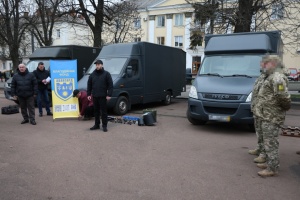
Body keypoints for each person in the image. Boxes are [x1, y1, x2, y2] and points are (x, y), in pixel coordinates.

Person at [252, 55, 291, 177]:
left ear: (273, 64)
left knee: (271, 143)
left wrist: (283, 108)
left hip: (272, 116)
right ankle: (269, 162)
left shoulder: (278, 78)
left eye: (266, 63)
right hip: (266, 114)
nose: (263, 65)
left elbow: (283, 97)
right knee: (267, 141)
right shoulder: (271, 76)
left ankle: (272, 168)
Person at [248, 56, 268, 164]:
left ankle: (264, 155)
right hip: (257, 109)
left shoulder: (272, 77)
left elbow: (282, 96)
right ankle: (259, 148)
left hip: (266, 111)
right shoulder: (262, 76)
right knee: (259, 131)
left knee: (266, 134)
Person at [87, 59, 113, 132]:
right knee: (96, 111)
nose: (97, 66)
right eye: (96, 65)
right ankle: (97, 124)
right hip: (95, 96)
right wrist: (88, 94)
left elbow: (110, 85)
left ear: (102, 65)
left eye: (98, 64)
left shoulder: (106, 74)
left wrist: (109, 94)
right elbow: (89, 85)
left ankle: (104, 125)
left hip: (103, 96)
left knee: (103, 112)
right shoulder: (92, 74)